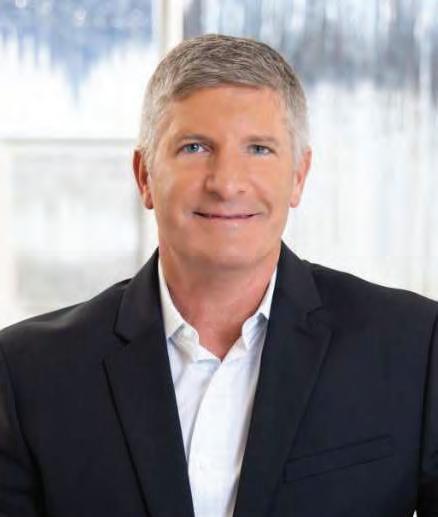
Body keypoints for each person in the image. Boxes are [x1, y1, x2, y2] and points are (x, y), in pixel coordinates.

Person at [0, 33, 437, 517]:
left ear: (299, 176)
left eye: (259, 149)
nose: (227, 183)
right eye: (194, 147)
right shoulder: (26, 374)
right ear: (145, 176)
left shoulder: (415, 346)